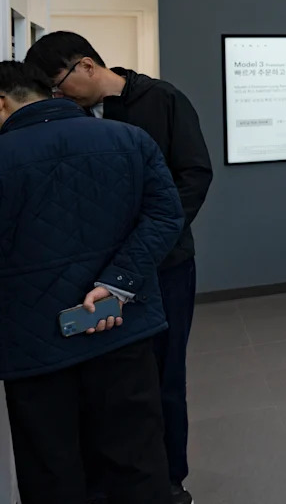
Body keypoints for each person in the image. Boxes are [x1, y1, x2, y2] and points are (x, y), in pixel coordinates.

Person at [26, 32, 213, 503]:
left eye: (58, 84)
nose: (57, 96)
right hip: (100, 274)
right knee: (115, 382)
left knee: (164, 377)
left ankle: (169, 479)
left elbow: (194, 175)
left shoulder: (163, 100)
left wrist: (148, 243)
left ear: (86, 65)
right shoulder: (73, 117)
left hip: (165, 265)